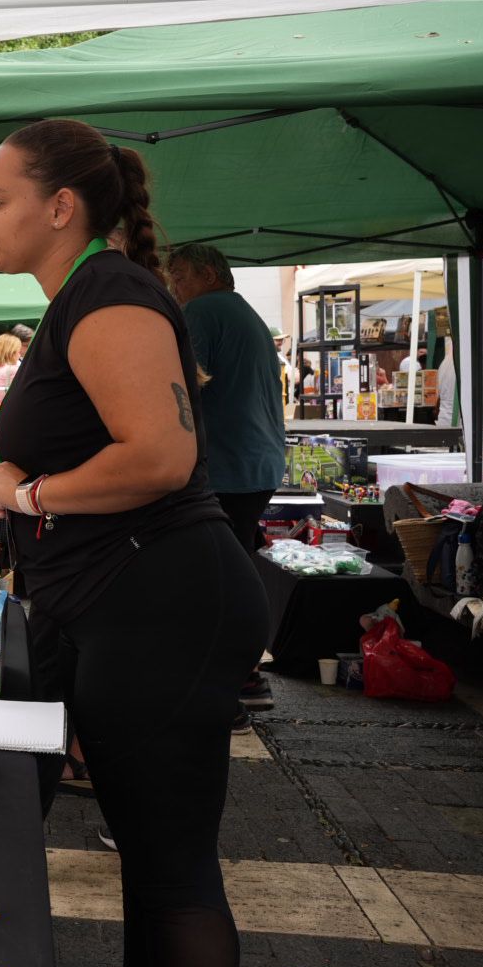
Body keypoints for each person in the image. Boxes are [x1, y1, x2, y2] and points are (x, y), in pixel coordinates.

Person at [0, 119, 265, 967]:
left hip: (159, 603)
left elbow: (159, 458)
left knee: (172, 873)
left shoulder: (112, 296)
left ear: (60, 207)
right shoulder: (87, 297)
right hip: (121, 603)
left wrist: (27, 495)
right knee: (153, 865)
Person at [168, 243, 288, 729]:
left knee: (210, 582)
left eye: (178, 275)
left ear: (206, 273)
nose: (174, 286)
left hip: (225, 466)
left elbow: (179, 386)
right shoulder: (247, 315)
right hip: (255, 465)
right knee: (233, 573)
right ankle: (246, 676)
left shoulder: (202, 311)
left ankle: (225, 691)